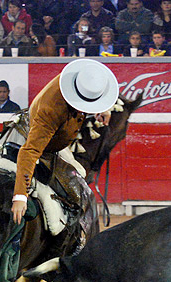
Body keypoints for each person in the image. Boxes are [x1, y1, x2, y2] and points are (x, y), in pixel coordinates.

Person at [11, 59, 118, 225]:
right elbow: (29, 151)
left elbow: (85, 93)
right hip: (41, 143)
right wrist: (19, 196)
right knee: (77, 187)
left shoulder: (80, 80)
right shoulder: (51, 110)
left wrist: (100, 108)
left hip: (55, 138)